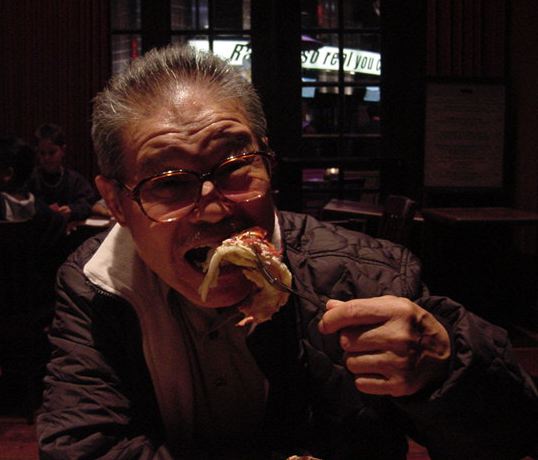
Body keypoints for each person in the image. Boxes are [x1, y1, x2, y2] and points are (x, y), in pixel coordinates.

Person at [36, 45, 538, 459]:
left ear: (268, 164)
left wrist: (444, 372)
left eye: (235, 165)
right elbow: (82, 445)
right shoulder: (95, 283)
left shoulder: (364, 273)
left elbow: (514, 434)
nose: (214, 209)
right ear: (117, 203)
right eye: (169, 182)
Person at [28, 123, 98, 222]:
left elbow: (88, 203)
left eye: (52, 153)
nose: (46, 158)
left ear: (63, 150)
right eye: (42, 153)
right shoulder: (30, 179)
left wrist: (72, 210)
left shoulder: (74, 180)